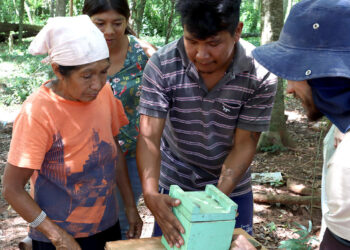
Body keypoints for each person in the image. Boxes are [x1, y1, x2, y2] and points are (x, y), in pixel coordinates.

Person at [136, 0, 278, 247]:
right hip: (174, 186)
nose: (201, 55)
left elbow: (245, 143)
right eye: (192, 41)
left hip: (231, 190)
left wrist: (215, 205)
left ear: (237, 31)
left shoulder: (259, 73)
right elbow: (149, 136)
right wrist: (150, 194)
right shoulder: (161, 65)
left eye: (213, 43)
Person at [2, 15, 142, 250]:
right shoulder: (39, 111)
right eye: (86, 76)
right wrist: (56, 236)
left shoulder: (104, 94)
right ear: (58, 70)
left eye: (103, 72)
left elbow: (113, 149)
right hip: (57, 236)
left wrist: (129, 205)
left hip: (106, 225)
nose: (97, 84)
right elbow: (12, 189)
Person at [252, 0, 350, 248]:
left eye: (294, 75)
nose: (290, 90)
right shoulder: (339, 135)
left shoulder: (346, 163)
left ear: (323, 76)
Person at [82, 0, 156, 240]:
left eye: (117, 23)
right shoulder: (76, 52)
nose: (109, 31)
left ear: (127, 20)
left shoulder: (145, 54)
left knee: (123, 218)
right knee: (87, 219)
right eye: (99, 23)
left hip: (133, 153)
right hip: (87, 153)